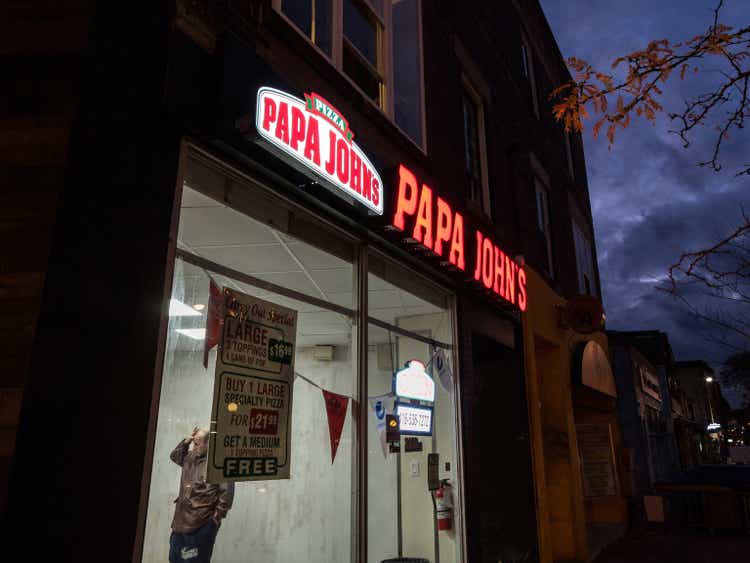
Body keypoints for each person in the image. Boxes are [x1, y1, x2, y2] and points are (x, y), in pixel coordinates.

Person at [169, 427, 234, 563]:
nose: (194, 447)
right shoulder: (190, 458)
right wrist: (186, 442)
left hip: (200, 526)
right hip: (180, 523)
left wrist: (214, 521)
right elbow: (175, 456)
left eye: (197, 444)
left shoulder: (219, 464)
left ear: (209, 444)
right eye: (194, 443)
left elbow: (226, 497)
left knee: (193, 561)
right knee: (175, 559)